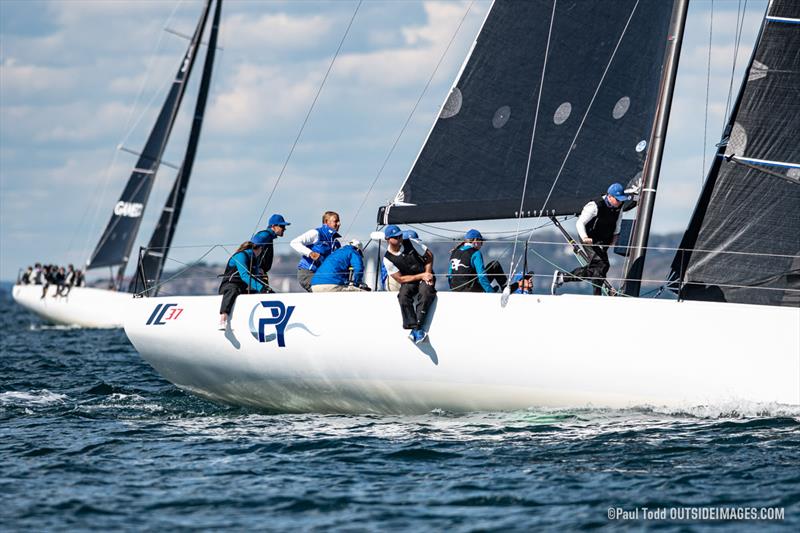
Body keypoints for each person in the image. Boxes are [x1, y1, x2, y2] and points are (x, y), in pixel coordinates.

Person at [551, 182, 630, 295]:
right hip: (590, 238)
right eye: (618, 199)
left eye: (622, 199)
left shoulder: (619, 206)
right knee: (602, 264)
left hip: (604, 239)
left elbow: (618, 221)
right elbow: (580, 223)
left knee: (597, 268)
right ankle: (596, 295)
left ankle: (563, 278)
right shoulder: (594, 206)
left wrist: (615, 236)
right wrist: (585, 237)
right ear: (610, 196)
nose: (620, 202)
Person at [381, 225, 435, 344]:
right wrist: (420, 276)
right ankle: (411, 325)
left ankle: (417, 328)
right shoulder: (387, 259)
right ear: (388, 239)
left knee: (426, 292)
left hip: (425, 275)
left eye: (400, 235)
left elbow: (429, 256)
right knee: (403, 295)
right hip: (409, 279)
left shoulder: (411, 243)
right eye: (396, 237)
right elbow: (400, 279)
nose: (399, 238)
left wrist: (427, 273)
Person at [218, 233, 274, 330]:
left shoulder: (254, 259)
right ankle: (223, 318)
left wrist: (266, 289)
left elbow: (256, 278)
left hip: (241, 288)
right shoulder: (241, 255)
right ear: (260, 248)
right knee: (233, 290)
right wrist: (261, 288)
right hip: (229, 286)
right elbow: (244, 275)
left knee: (256, 294)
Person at [291, 211, 341, 292]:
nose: (339, 224)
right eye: (336, 221)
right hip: (308, 273)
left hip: (322, 276)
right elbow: (294, 242)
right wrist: (310, 253)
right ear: (326, 222)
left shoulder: (336, 243)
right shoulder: (316, 233)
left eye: (339, 221)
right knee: (325, 291)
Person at [251, 214, 290, 289]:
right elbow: (253, 245)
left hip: (260, 273)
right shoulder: (266, 234)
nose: (284, 229)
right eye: (282, 226)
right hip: (257, 273)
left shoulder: (269, 237)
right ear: (273, 226)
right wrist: (256, 268)